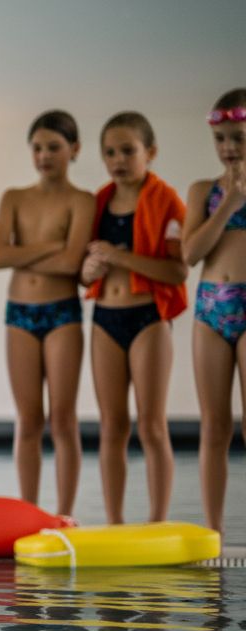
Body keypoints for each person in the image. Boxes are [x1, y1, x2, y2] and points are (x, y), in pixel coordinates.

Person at [80, 112, 188, 524]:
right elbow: (85, 267)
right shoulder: (99, 202)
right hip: (105, 318)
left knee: (152, 426)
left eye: (128, 150)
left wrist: (120, 256)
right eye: (110, 152)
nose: (118, 160)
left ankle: (158, 521)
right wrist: (89, 271)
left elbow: (177, 271)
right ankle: (115, 522)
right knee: (111, 427)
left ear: (151, 153)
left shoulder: (168, 202)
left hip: (149, 318)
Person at [0, 111, 95, 519]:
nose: (44, 156)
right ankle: (28, 512)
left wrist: (25, 255)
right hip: (20, 314)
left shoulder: (81, 201)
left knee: (63, 419)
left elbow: (72, 265)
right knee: (28, 419)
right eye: (37, 148)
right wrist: (53, 245)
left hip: (62, 313)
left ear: (74, 150)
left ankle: (63, 514)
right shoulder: (14, 197)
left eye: (54, 147)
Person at [184, 88, 246, 533]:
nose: (228, 148)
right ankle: (213, 532)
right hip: (210, 309)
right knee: (214, 426)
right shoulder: (203, 191)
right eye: (221, 139)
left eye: (238, 138)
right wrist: (228, 206)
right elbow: (191, 253)